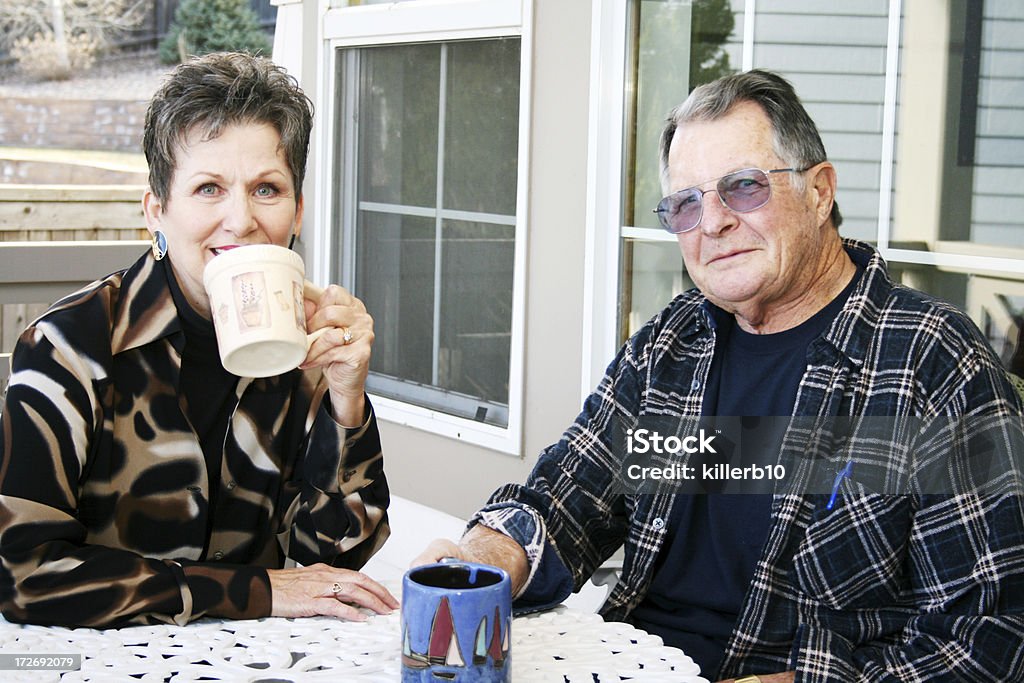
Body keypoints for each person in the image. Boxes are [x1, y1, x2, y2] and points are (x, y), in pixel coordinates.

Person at [416, 69, 1024, 682]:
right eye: (685, 204)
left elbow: (990, 642)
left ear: (819, 192)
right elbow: (566, 498)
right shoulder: (674, 343)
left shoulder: (932, 361)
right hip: (631, 664)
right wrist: (479, 562)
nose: (711, 224)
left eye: (743, 187)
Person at [0, 52, 397, 628]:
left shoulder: (305, 344)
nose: (239, 220)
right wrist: (252, 592)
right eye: (209, 188)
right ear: (156, 212)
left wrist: (346, 399)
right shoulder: (69, 346)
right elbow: (23, 576)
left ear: (298, 212)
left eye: (267, 189)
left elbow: (332, 565)